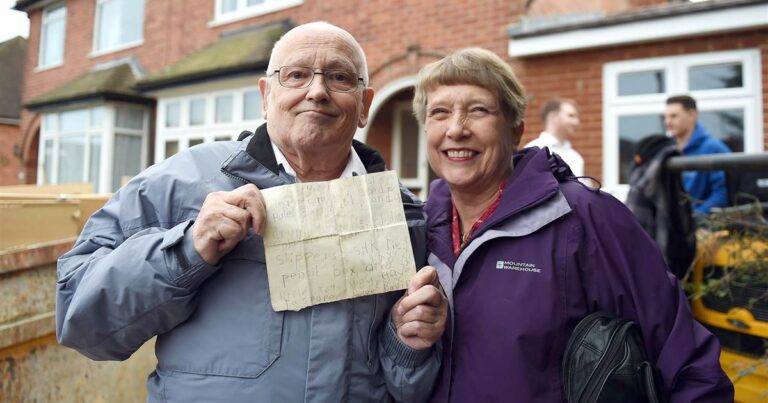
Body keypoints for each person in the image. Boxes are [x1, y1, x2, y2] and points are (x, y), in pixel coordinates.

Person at [56, 22, 447, 402]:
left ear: (364, 106)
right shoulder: (184, 180)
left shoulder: (401, 211)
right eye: (296, 75)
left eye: (340, 78)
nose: (317, 91)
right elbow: (81, 320)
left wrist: (406, 346)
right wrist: (186, 250)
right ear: (265, 96)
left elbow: (407, 388)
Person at [410, 48, 733, 402]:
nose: (456, 129)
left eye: (479, 110)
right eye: (440, 112)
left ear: (515, 130)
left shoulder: (585, 216)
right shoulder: (421, 228)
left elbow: (687, 362)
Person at [625, 134, 696, 279]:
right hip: (672, 269)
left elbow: (630, 242)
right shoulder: (659, 182)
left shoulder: (643, 185)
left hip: (655, 274)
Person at [665, 95, 731, 215]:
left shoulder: (714, 149)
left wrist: (694, 219)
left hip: (703, 228)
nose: (668, 122)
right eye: (666, 117)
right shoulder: (666, 150)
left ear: (692, 115)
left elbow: (722, 194)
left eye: (674, 116)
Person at [524, 98, 584, 177]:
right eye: (571, 116)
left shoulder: (576, 158)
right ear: (553, 116)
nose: (576, 122)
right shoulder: (532, 150)